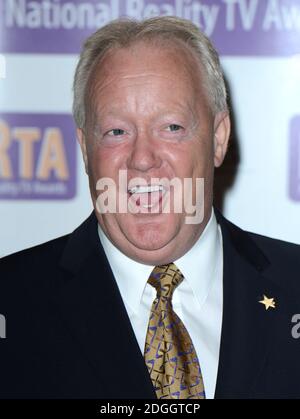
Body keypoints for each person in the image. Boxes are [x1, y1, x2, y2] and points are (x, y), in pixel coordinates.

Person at [0, 16, 300, 400]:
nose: (142, 159)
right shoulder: (11, 302)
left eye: (172, 127)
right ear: (84, 148)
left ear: (219, 138)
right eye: (116, 131)